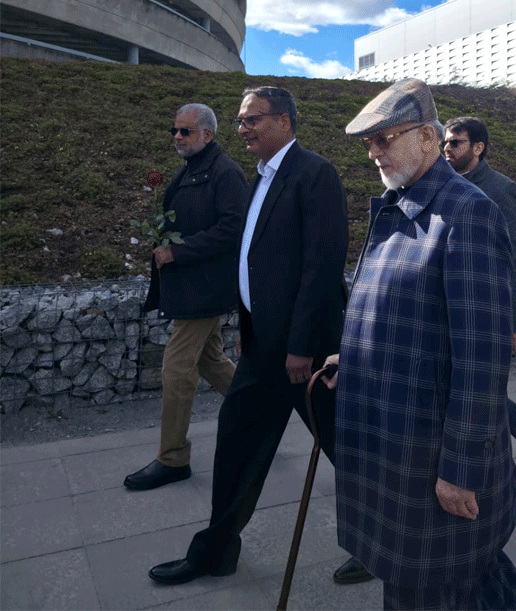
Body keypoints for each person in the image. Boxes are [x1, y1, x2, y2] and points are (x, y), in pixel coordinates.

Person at [324, 79, 516, 611]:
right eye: (368, 143)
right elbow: (398, 311)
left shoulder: (466, 214)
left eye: (386, 138)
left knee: (425, 582)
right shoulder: (400, 202)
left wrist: (461, 468)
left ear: (429, 139)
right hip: (395, 436)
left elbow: (481, 360)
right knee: (454, 568)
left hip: (427, 448)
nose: (374, 152)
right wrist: (353, 356)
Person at [148, 86, 349, 584]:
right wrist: (249, 324)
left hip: (306, 352)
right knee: (236, 441)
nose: (243, 129)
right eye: (239, 121)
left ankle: (385, 538)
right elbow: (253, 259)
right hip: (264, 346)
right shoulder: (259, 179)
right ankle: (215, 550)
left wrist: (302, 346)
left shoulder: (314, 174)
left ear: (283, 120)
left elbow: (321, 266)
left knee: (350, 449)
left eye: (251, 119)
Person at [125, 104, 247, 491]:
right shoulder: (190, 169)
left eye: (185, 131)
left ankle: (173, 459)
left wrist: (177, 251)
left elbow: (233, 228)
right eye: (174, 130)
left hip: (204, 288)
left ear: (207, 135)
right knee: (211, 360)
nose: (177, 137)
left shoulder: (225, 173)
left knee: (177, 370)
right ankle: (257, 416)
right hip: (191, 285)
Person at [444, 116, 516, 485]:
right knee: (465, 391)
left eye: (455, 143)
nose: (446, 149)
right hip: (448, 308)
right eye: (444, 143)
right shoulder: (442, 185)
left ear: (478, 148)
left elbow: (515, 258)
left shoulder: (501, 190)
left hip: (484, 311)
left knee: (476, 394)